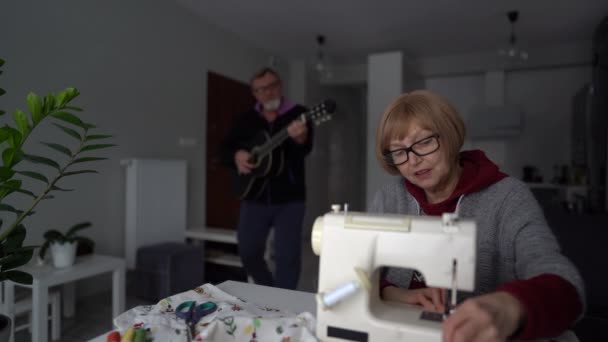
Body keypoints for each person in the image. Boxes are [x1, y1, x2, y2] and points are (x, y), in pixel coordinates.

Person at [371, 90, 584, 341]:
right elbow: (359, 276)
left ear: (449, 136)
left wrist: (509, 307)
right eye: (399, 151)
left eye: (425, 142)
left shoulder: (508, 197)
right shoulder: (389, 198)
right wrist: (397, 294)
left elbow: (565, 284)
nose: (413, 160)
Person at [220, 67, 313, 290]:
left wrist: (300, 139)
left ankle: (285, 305)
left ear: (280, 86)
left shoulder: (299, 114)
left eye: (272, 87)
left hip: (290, 198)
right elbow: (225, 149)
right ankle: (268, 289)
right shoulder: (246, 119)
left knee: (287, 257)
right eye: (261, 89)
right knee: (248, 250)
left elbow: (306, 149)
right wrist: (237, 155)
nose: (268, 93)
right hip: (254, 195)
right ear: (255, 93)